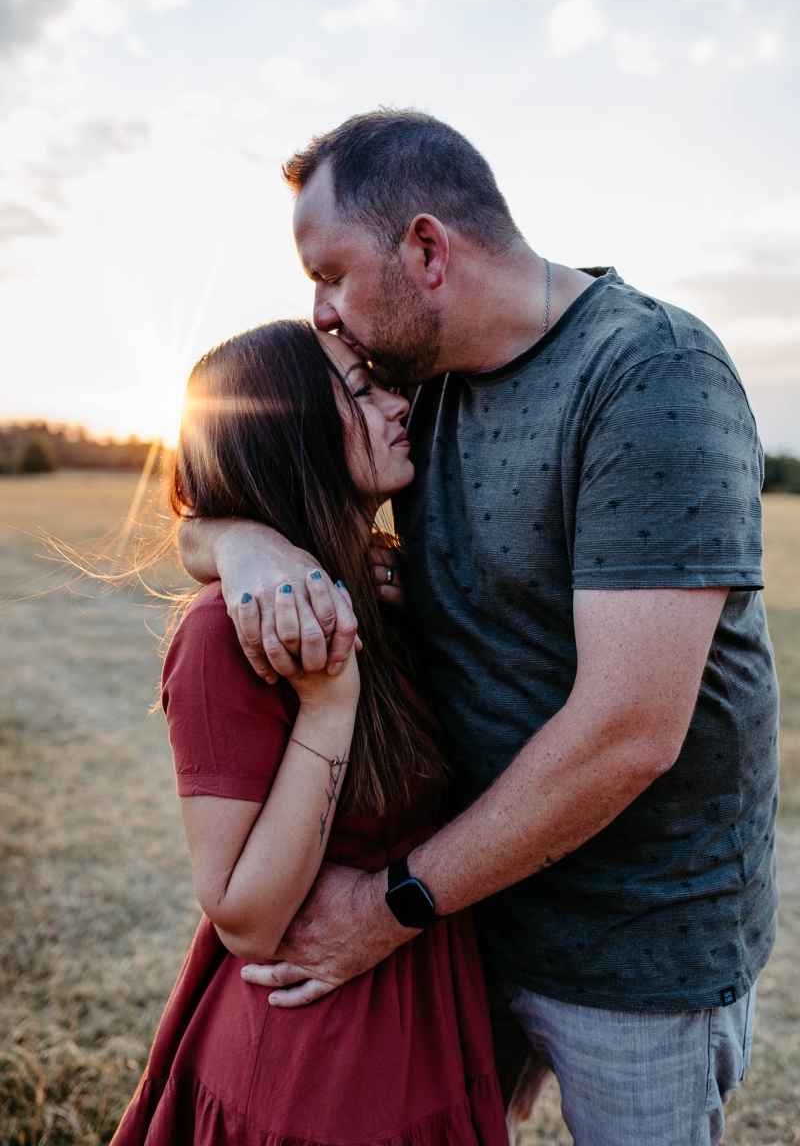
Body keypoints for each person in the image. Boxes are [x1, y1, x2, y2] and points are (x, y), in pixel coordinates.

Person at [180, 110, 780, 1146]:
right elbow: (263, 479)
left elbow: (628, 730)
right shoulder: (423, 387)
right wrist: (240, 545)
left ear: (424, 249)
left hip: (628, 949)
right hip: (468, 926)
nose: (319, 315)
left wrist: (388, 907)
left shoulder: (647, 374)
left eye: (329, 274)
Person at [112, 320, 509, 1145]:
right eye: (364, 391)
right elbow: (245, 919)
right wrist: (329, 708)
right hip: (317, 1065)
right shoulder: (230, 636)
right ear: (297, 436)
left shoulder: (380, 584)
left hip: (432, 1016)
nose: (402, 405)